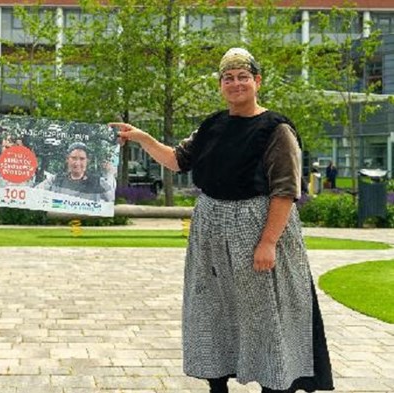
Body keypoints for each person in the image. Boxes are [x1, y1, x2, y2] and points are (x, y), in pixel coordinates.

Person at [111, 48, 333, 393]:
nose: (235, 83)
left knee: (264, 314)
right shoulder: (213, 125)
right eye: (228, 78)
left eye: (243, 76)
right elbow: (176, 160)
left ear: (257, 81)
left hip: (258, 229)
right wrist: (142, 137)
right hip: (212, 233)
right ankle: (217, 383)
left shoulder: (277, 130)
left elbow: (285, 191)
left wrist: (268, 242)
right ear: (220, 85)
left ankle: (274, 383)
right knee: (212, 309)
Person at [36, 141, 115, 202]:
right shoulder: (55, 180)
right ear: (67, 159)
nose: (77, 163)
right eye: (74, 158)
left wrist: (110, 173)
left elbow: (112, 199)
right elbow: (35, 193)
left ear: (87, 161)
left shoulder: (97, 182)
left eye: (82, 159)